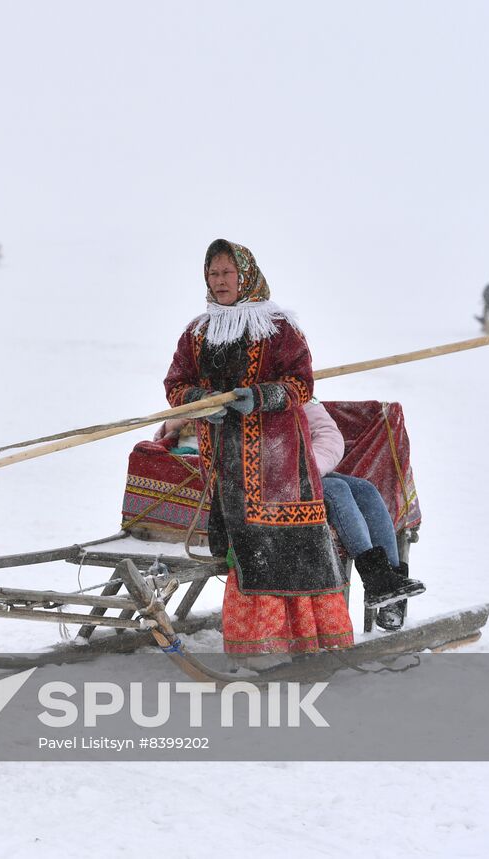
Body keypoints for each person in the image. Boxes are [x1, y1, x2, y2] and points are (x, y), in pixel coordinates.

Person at [164, 239, 353, 656]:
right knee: (243, 548)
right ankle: (256, 644)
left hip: (280, 464)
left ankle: (305, 641)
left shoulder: (279, 328)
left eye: (227, 273)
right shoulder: (197, 333)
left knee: (285, 549)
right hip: (224, 465)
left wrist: (263, 397)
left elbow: (302, 383)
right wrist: (197, 400)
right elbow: (174, 384)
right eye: (213, 274)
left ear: (245, 275)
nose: (219, 281)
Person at [304, 400, 425, 630]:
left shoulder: (298, 392)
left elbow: (328, 433)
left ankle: (390, 584)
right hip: (275, 478)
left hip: (308, 470)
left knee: (365, 489)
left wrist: (311, 466)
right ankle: (375, 578)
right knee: (338, 490)